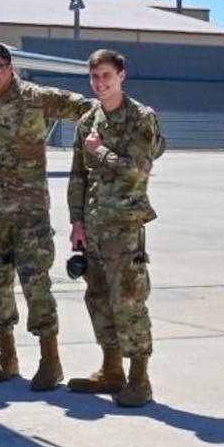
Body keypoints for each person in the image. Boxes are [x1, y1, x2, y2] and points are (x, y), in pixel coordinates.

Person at [0, 43, 93, 391]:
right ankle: (7, 355)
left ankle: (50, 359)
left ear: (11, 67)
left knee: (35, 283)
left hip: (30, 213)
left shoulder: (36, 97)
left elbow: (88, 108)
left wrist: (101, 142)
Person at [65, 50, 166, 407]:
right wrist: (76, 220)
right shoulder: (87, 120)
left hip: (124, 225)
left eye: (106, 75)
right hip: (94, 224)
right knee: (98, 298)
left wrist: (102, 150)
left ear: (122, 76)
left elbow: (139, 168)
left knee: (129, 301)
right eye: (94, 77)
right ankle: (111, 370)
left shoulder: (141, 117)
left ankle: (140, 378)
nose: (100, 83)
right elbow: (78, 175)